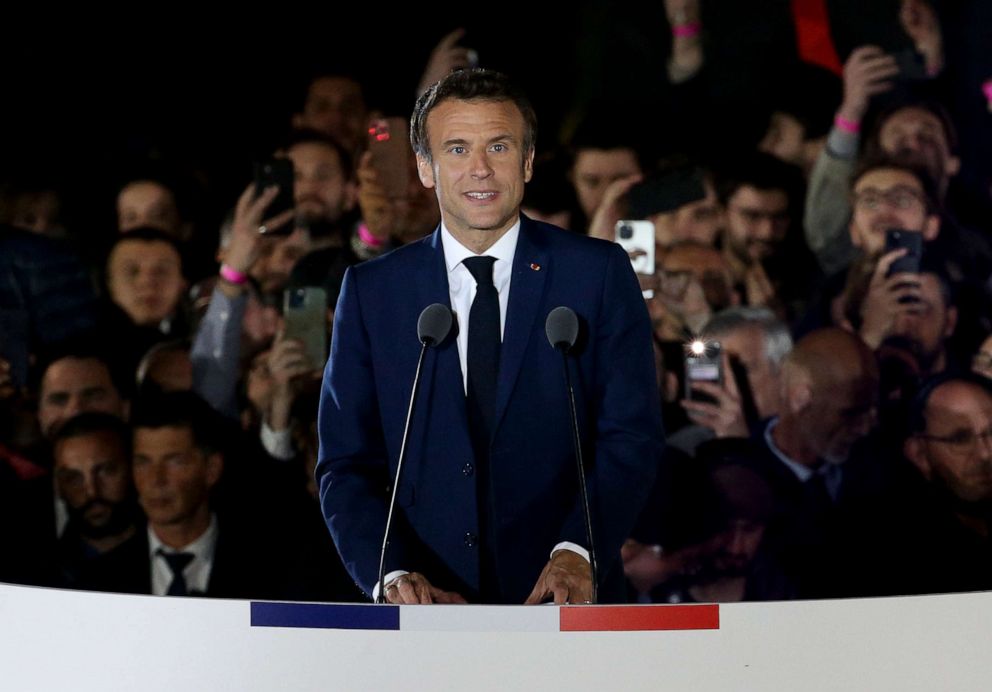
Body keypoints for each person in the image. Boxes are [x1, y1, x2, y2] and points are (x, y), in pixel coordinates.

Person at [317, 69, 662, 605]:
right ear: (425, 168)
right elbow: (345, 465)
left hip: (565, 606)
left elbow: (630, 436)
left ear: (526, 161)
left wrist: (578, 549)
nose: (480, 169)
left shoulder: (594, 274)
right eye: (457, 148)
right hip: (429, 613)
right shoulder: (372, 292)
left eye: (498, 146)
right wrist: (391, 574)